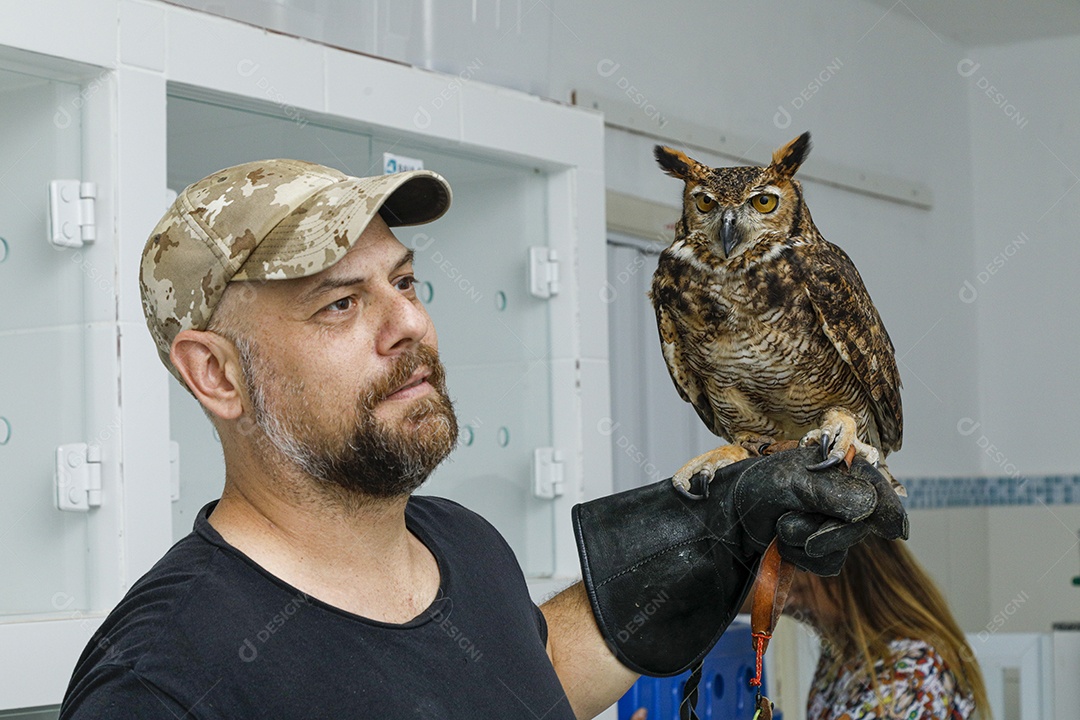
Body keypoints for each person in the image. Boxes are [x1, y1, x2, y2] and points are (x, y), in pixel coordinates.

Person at [59, 159, 907, 719]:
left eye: (405, 281)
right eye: (340, 304)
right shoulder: (166, 679)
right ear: (216, 375)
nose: (411, 323)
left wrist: (721, 535)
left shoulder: (460, 543)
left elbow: (528, 685)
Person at [785, 533, 990, 719]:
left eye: (800, 591)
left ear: (847, 580)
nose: (793, 604)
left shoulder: (912, 677)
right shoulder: (848, 645)